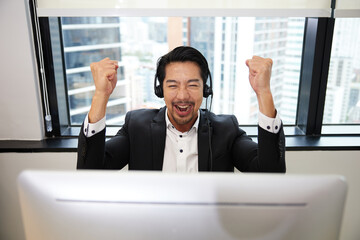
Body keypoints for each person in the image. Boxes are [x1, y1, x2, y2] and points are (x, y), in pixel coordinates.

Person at [77, 46, 285, 172]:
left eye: (193, 85)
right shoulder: (136, 126)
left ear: (206, 89)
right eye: (173, 85)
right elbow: (90, 172)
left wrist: (263, 92)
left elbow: (270, 173)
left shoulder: (226, 129)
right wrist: (101, 96)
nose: (183, 96)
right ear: (160, 89)